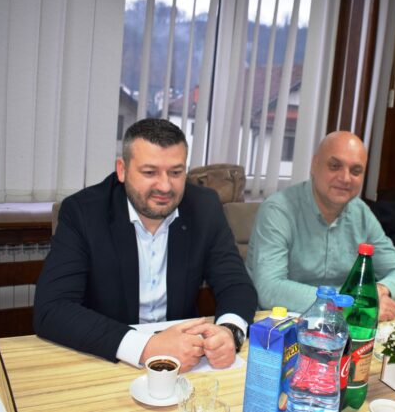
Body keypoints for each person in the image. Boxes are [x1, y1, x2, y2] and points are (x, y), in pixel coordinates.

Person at [34, 118, 257, 371]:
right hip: (107, 356)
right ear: (122, 170)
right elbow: (52, 309)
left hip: (188, 358)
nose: (165, 186)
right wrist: (148, 347)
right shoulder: (83, 212)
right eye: (150, 172)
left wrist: (229, 331)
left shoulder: (204, 207)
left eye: (176, 172)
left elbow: (236, 283)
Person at [246, 131, 395, 321]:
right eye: (335, 166)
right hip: (283, 325)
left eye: (356, 171)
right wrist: (349, 304)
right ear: (314, 164)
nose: (345, 178)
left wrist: (378, 290)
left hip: (343, 326)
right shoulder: (278, 210)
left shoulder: (361, 212)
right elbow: (269, 289)